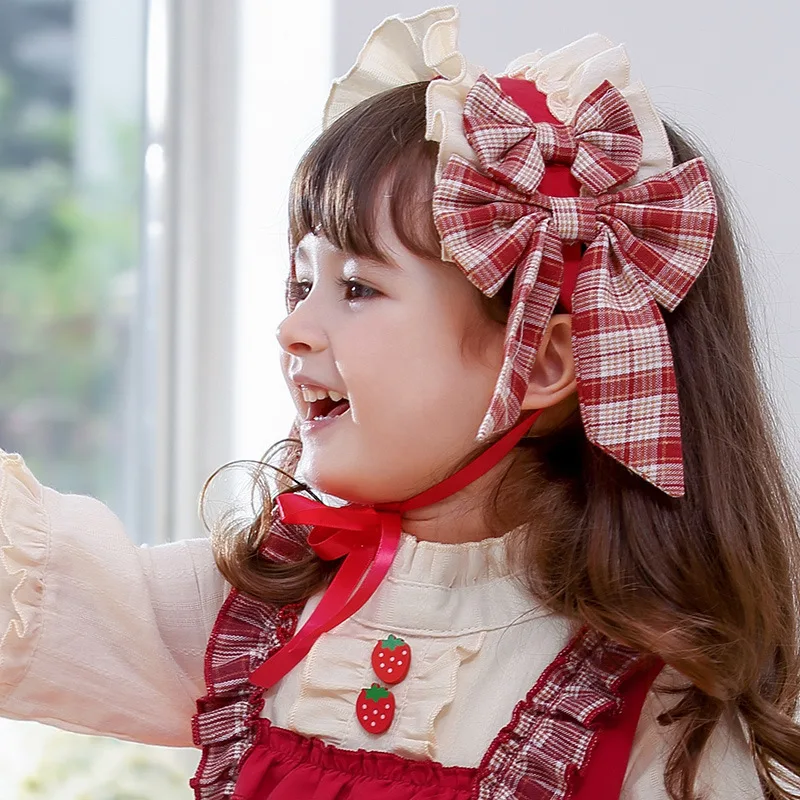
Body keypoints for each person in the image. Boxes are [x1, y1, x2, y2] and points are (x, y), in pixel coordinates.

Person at [2, 6, 799, 799]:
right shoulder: (264, 609)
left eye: (357, 287)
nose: (292, 327)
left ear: (544, 360)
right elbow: (51, 599)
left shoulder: (653, 712)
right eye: (300, 282)